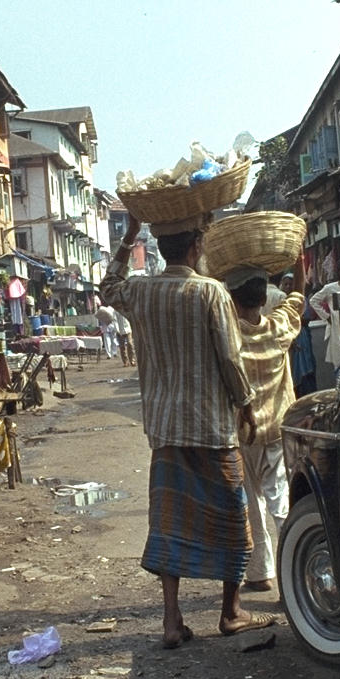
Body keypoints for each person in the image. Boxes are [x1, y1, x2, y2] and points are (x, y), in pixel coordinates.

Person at [102, 216, 277, 648]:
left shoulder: (140, 291)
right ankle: (231, 611)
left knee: (169, 521)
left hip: (165, 429)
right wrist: (246, 404)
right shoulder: (210, 291)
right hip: (211, 427)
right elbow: (230, 357)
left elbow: (107, 289)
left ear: (161, 247)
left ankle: (171, 620)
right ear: (197, 246)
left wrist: (126, 239)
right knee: (234, 521)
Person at [225, 254, 306, 593]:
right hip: (279, 428)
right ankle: (295, 572)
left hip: (244, 431)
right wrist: (300, 263)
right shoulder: (278, 326)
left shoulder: (228, 337)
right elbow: (298, 297)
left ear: (233, 299)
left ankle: (261, 574)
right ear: (264, 298)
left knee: (253, 503)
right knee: (281, 501)